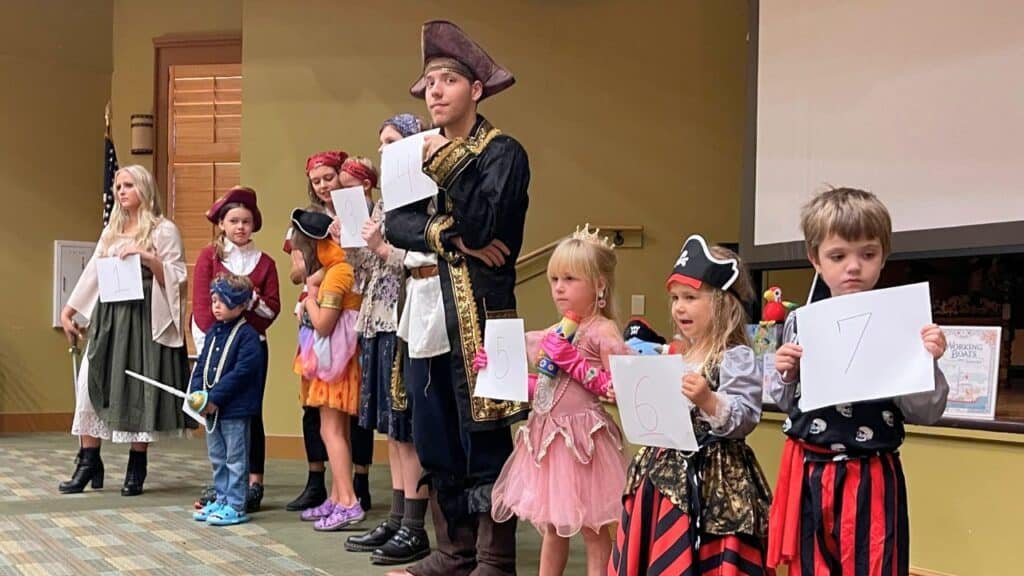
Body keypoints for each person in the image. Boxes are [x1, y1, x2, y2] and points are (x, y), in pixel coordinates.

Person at [384, 20, 530, 576]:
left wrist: (441, 185)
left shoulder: (503, 153)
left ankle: (494, 559)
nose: (436, 91)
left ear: (476, 89)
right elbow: (397, 224)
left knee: (487, 435)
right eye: (429, 83)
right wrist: (448, 237)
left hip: (486, 316)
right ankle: (453, 552)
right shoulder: (414, 153)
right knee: (436, 432)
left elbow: (487, 221)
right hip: (426, 314)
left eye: (447, 80)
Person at [767, 187, 949, 576]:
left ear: (883, 257)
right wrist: (785, 373)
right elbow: (787, 403)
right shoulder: (800, 322)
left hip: (872, 474)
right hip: (810, 470)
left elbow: (926, 412)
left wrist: (927, 362)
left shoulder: (902, 322)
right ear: (815, 260)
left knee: (875, 566)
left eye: (867, 254)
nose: (853, 266)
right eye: (838, 256)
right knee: (812, 567)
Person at [610, 235, 773, 575]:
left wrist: (709, 400)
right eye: (674, 298)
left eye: (690, 297)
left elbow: (745, 418)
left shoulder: (735, 357)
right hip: (661, 474)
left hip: (714, 483)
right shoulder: (675, 353)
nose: (678, 307)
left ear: (722, 303)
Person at [482, 226, 630, 576]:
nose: (559, 287)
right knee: (551, 526)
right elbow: (546, 389)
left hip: (584, 443)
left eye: (570, 279)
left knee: (595, 529)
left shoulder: (601, 332)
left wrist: (575, 363)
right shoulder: (555, 331)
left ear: (599, 286)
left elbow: (618, 388)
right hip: (547, 442)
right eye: (554, 279)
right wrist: (499, 369)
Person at [58, 165, 189, 497]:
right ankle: (88, 461)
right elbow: (93, 273)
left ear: (144, 188)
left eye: (128, 185)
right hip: (109, 315)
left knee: (136, 388)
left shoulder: (164, 230)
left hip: (143, 316)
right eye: (118, 186)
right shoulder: (112, 229)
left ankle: (136, 465)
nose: (121, 191)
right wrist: (69, 309)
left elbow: (177, 276)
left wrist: (146, 257)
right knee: (90, 381)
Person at [345, 122, 431, 567]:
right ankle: (398, 515)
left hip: (408, 319)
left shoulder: (423, 198)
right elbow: (365, 277)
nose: (383, 151)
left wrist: (381, 248)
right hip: (375, 321)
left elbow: (422, 264)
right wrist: (354, 244)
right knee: (389, 427)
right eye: (380, 144)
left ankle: (416, 526)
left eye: (393, 143)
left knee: (407, 425)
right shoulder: (382, 203)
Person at [285, 150, 375, 512]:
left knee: (345, 420)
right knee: (323, 420)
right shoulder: (311, 222)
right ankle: (332, 491)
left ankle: (353, 491)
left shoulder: (357, 212)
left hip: (343, 320)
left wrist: (317, 287)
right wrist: (310, 279)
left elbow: (356, 263)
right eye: (316, 180)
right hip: (325, 311)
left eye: (329, 177)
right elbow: (300, 269)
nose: (323, 185)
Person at [191, 186, 280, 513]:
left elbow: (271, 310)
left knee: (248, 413)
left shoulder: (266, 263)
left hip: (250, 348)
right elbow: (202, 306)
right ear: (223, 224)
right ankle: (224, 486)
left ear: (253, 224)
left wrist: (249, 303)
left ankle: (252, 483)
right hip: (215, 348)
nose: (240, 227)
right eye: (234, 220)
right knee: (218, 415)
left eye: (246, 221)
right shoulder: (209, 258)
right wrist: (214, 344)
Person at [290, 207, 366, 531]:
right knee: (337, 433)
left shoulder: (338, 273)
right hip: (336, 360)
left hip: (335, 362)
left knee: (331, 432)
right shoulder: (339, 268)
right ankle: (336, 496)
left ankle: (348, 501)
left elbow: (323, 325)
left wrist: (308, 299)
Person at [189, 274, 264, 526]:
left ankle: (236, 504)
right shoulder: (213, 332)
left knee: (235, 459)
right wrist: (198, 391)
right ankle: (221, 498)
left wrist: (216, 397)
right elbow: (202, 364)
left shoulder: (248, 336)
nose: (216, 306)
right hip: (213, 409)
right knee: (218, 457)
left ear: (242, 305)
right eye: (214, 301)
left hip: (235, 410)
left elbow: (242, 373)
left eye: (224, 301)